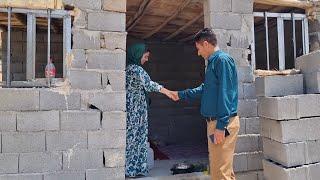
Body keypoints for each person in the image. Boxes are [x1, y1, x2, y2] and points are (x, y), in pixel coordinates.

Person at [170, 28, 240, 180]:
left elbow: (226, 94)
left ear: (206, 44)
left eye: (198, 48)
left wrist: (221, 126)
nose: (198, 52)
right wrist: (181, 94)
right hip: (215, 123)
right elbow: (205, 89)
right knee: (221, 171)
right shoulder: (213, 62)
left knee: (221, 173)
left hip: (222, 123)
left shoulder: (222, 60)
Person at [125, 43, 174, 178]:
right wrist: (168, 92)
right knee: (138, 139)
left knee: (132, 139)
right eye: (145, 56)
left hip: (131, 110)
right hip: (137, 111)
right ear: (138, 55)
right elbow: (149, 84)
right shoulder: (136, 69)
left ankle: (132, 169)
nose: (146, 60)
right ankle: (134, 170)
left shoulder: (128, 69)